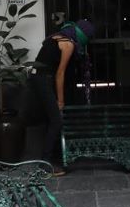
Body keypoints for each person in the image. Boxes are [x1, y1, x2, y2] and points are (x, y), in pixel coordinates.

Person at [21, 19, 95, 174]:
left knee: (51, 119)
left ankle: (53, 156)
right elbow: (59, 74)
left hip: (36, 78)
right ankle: (45, 164)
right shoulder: (68, 45)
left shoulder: (55, 37)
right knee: (56, 120)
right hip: (43, 80)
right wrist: (60, 100)